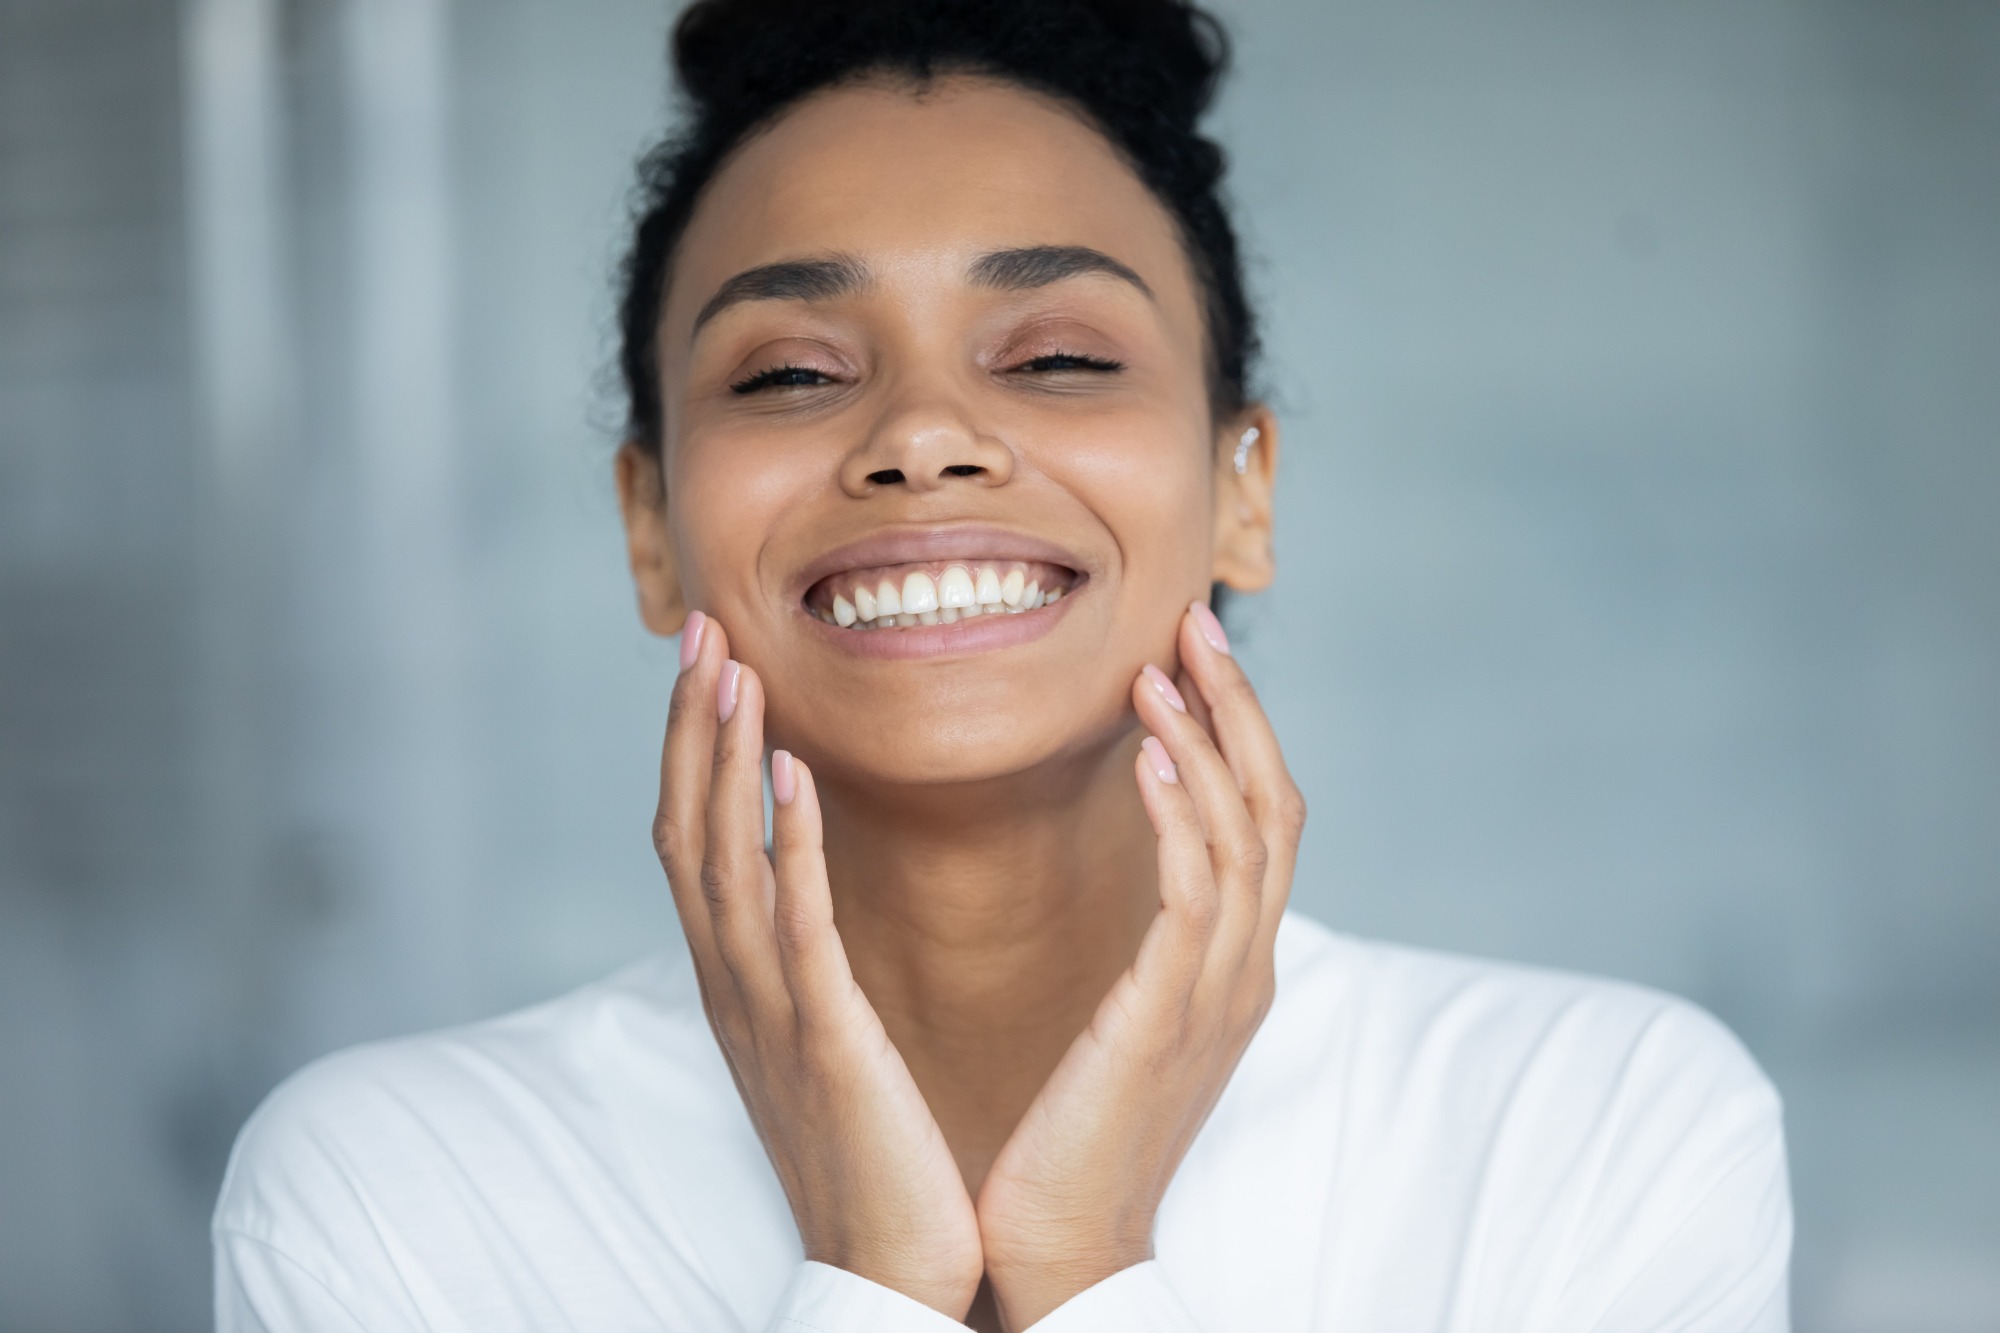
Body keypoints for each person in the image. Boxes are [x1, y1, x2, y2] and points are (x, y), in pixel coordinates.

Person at [211, 1, 1792, 1328]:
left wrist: (1085, 1257)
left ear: (1243, 483)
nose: (921, 437)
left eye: (1055, 356)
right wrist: (875, 1274)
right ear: (651, 523)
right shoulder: (394, 1192)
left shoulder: (1594, 1130)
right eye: (790, 371)